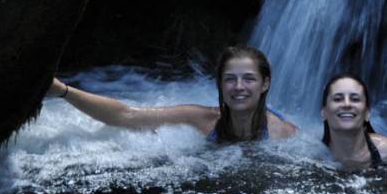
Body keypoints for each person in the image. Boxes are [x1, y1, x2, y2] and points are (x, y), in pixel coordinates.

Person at [49, 44, 297, 142]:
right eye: (230, 79)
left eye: (249, 79)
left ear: (265, 84)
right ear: (220, 85)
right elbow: (125, 116)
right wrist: (63, 91)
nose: (239, 87)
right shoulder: (201, 119)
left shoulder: (283, 133)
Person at [321, 73, 387, 167]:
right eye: (337, 99)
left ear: (367, 113)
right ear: (324, 112)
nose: (347, 104)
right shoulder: (312, 155)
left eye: (355, 99)